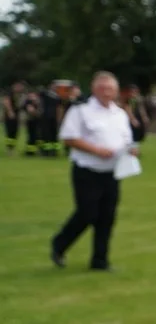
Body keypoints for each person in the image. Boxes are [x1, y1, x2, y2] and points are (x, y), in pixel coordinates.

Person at [50, 71, 139, 271]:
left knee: (107, 217)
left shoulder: (119, 114)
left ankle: (100, 260)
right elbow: (69, 137)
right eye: (104, 88)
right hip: (87, 171)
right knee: (87, 213)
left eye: (112, 89)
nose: (108, 93)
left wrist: (131, 149)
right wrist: (96, 150)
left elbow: (126, 139)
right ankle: (59, 244)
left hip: (112, 172)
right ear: (95, 89)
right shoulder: (81, 111)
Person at [3, 80, 24, 155]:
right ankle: (9, 149)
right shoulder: (9, 93)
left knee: (15, 133)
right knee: (10, 133)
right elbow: (6, 102)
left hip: (17, 116)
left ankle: (13, 148)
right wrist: (10, 112)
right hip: (10, 116)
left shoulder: (20, 94)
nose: (20, 88)